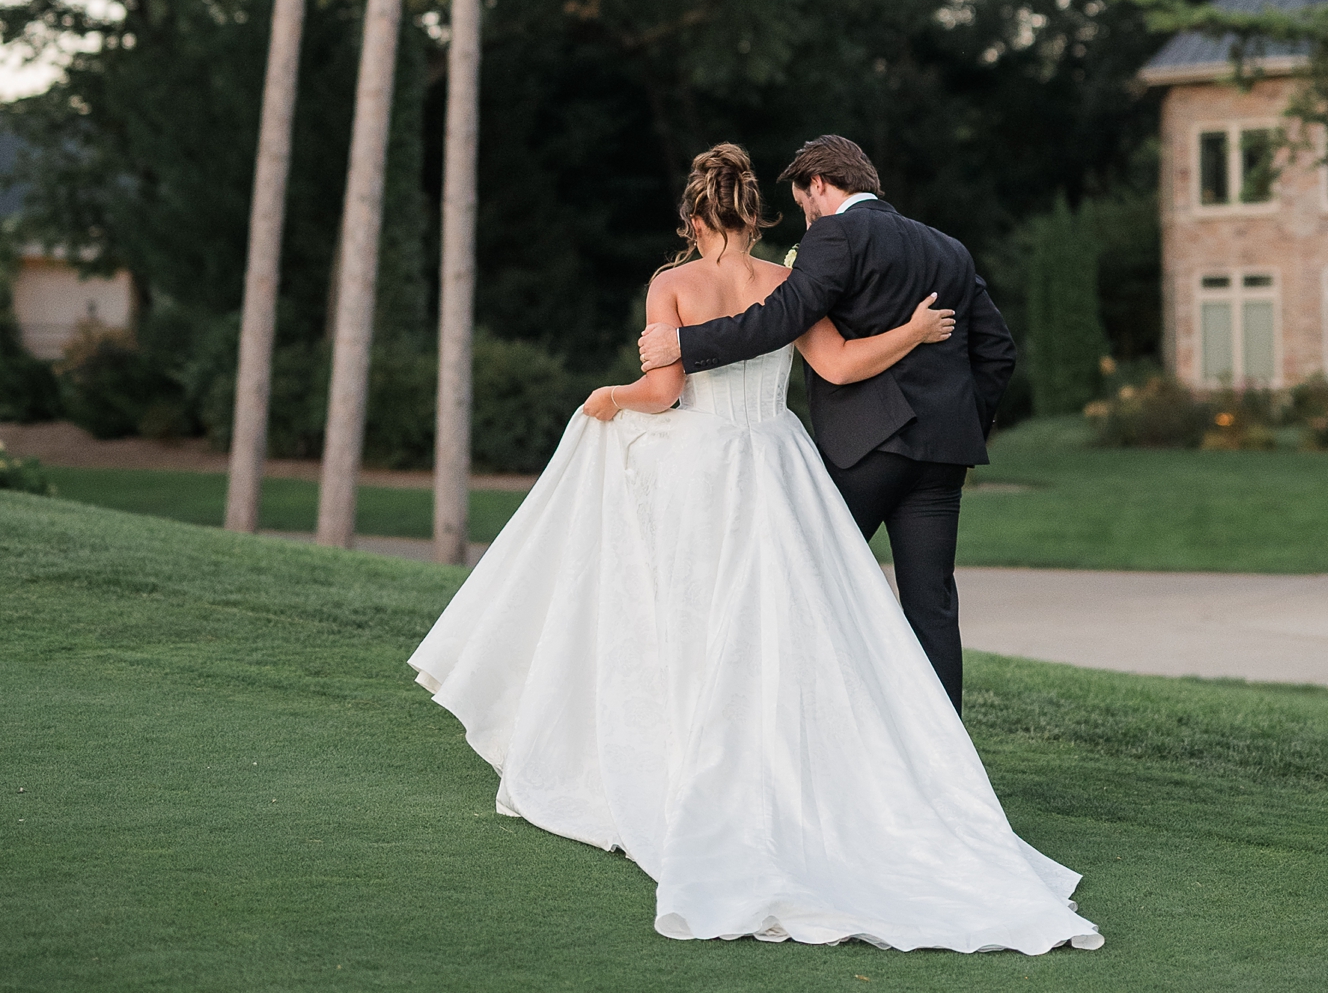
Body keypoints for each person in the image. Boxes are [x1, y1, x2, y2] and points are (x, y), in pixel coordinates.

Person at [409, 144, 1102, 952]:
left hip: (703, 468)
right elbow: (842, 363)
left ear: (694, 216)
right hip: (782, 461)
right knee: (827, 618)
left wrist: (613, 394)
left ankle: (702, 765)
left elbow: (664, 393)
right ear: (756, 212)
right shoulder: (795, 276)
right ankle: (910, 769)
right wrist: (915, 339)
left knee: (698, 620)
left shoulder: (674, 283)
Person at [637, 133, 1016, 712]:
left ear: (817, 185)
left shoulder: (835, 234)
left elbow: (778, 319)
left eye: (803, 201)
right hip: (941, 458)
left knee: (806, 582)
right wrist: (959, 430)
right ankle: (948, 765)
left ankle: (806, 726)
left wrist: (683, 343)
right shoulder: (947, 248)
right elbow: (997, 352)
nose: (805, 220)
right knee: (932, 605)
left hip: (864, 449)